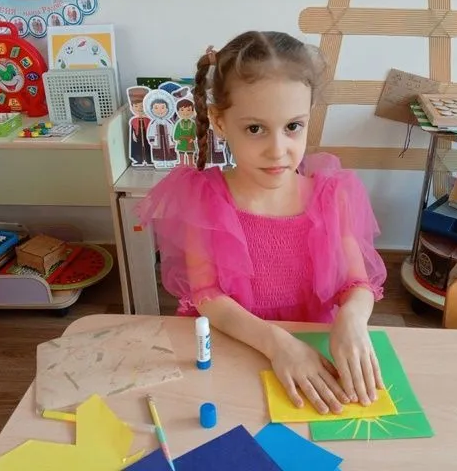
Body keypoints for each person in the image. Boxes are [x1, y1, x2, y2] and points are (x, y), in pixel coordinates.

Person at [136, 31, 387, 415]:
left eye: (293, 127)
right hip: (235, 351)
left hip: (314, 357)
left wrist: (352, 319)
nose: (278, 150)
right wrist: (277, 343)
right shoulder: (205, 199)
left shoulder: (330, 195)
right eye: (255, 129)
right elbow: (207, 296)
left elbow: (357, 284)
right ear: (220, 121)